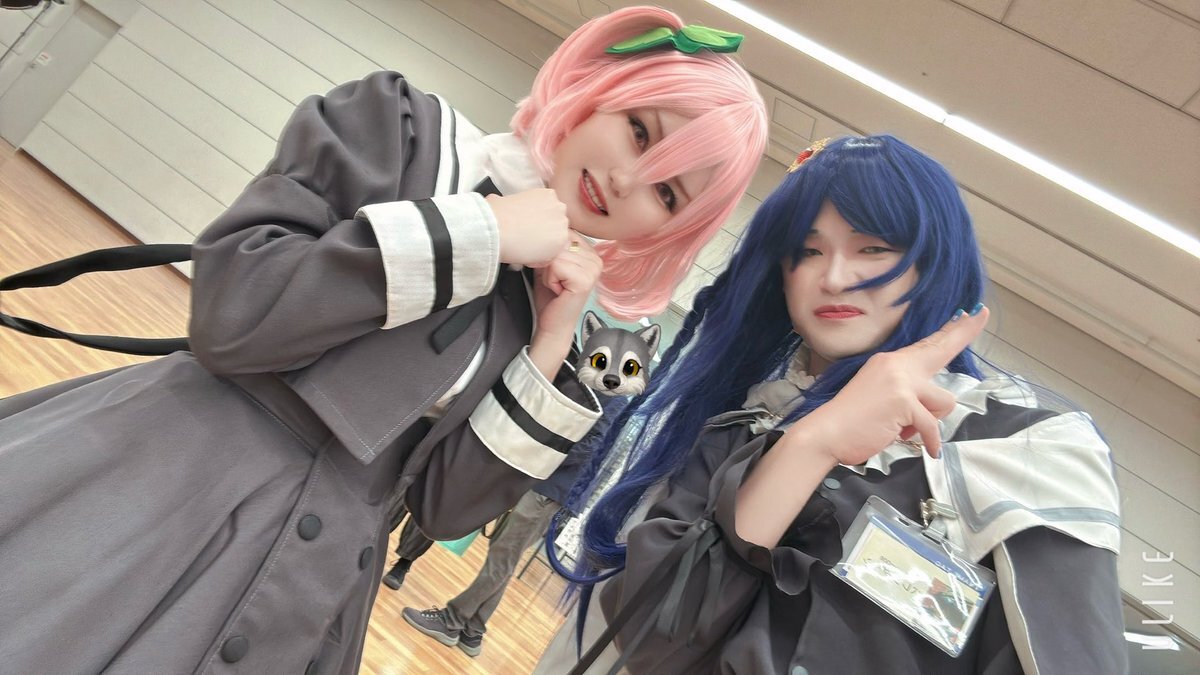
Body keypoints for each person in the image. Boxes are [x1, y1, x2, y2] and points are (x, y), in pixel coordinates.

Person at [0, 6, 767, 674]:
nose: (629, 181)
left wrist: (551, 341)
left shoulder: (544, 305)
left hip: (311, 582)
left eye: (667, 192)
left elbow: (443, 507)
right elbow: (233, 318)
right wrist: (481, 230)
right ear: (600, 91)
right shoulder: (405, 132)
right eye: (639, 130)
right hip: (160, 487)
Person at [535, 135, 1127, 674]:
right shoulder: (737, 423)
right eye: (807, 251)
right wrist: (812, 444)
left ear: (933, 265)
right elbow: (653, 641)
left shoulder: (1022, 446)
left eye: (873, 248)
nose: (836, 277)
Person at [396, 394, 628, 658]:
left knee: (502, 558)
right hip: (544, 485)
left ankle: (451, 620)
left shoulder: (615, 393)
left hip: (550, 489)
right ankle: (473, 630)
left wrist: (539, 455)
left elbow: (590, 446)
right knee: (504, 556)